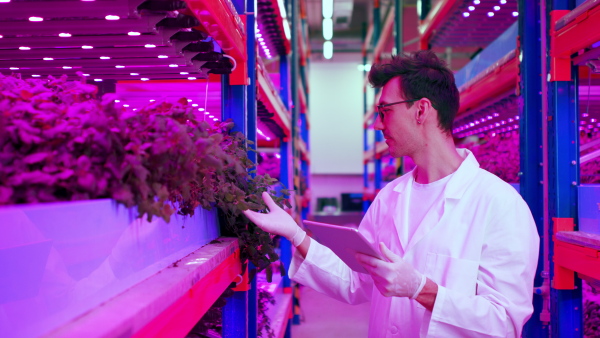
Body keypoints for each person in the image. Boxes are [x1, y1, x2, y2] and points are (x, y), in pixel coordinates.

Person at [243, 50, 539, 337]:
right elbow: (357, 281)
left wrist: (420, 289)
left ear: (421, 110)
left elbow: (503, 323)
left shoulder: (500, 205)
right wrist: (296, 235)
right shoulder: (390, 197)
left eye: (385, 112)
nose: (378, 124)